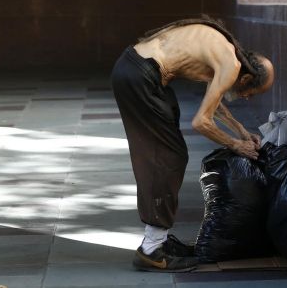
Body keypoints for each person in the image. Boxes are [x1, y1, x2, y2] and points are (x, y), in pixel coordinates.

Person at [111, 16, 274, 272]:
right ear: (245, 79)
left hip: (138, 70)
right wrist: (236, 145)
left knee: (167, 154)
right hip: (140, 76)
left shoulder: (227, 52)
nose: (246, 98)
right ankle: (152, 250)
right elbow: (201, 121)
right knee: (167, 158)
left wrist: (241, 131)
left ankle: (158, 241)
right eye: (250, 93)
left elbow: (215, 102)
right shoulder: (230, 65)